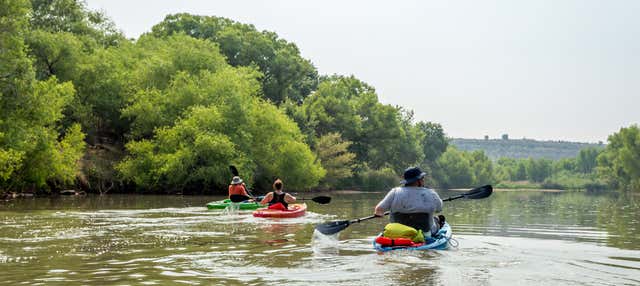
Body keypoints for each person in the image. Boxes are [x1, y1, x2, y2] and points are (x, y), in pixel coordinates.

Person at [374, 166, 445, 237]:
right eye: (422, 178)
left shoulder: (394, 192)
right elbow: (439, 209)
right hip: (423, 235)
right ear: (418, 181)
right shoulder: (431, 193)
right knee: (438, 219)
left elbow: (379, 209)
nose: (423, 180)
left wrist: (379, 213)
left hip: (397, 233)